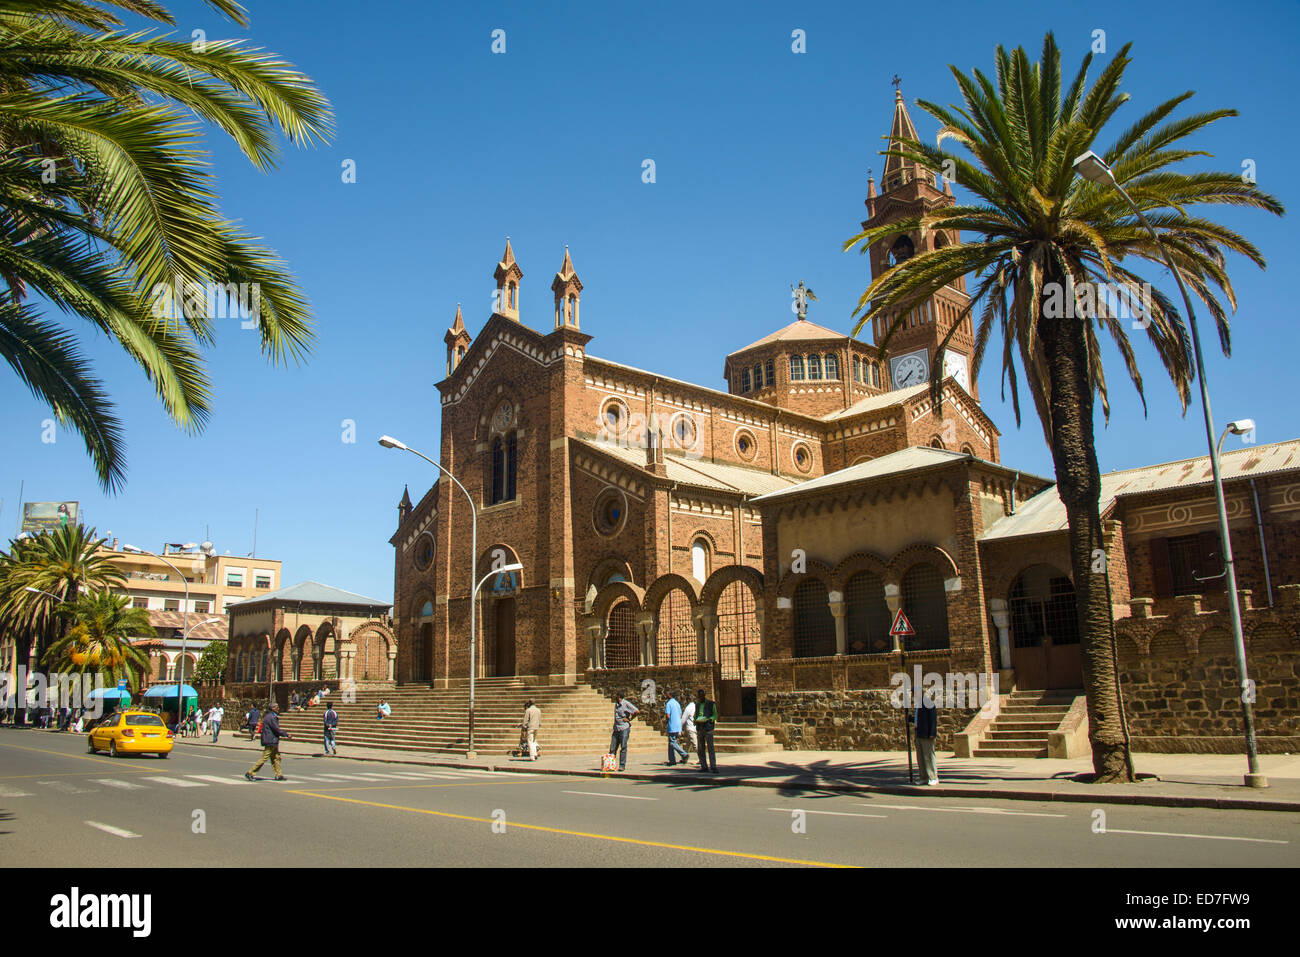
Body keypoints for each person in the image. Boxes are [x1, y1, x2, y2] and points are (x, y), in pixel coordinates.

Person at [244, 701, 292, 781]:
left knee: (276, 758)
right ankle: (250, 773)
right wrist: (286, 734)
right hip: (271, 740)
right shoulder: (271, 717)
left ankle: (278, 774)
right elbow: (276, 729)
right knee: (264, 757)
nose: (278, 708)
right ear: (272, 708)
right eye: (276, 707)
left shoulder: (270, 716)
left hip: (272, 740)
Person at [609, 692, 639, 772]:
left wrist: (629, 719)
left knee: (623, 747)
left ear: (619, 697)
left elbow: (636, 711)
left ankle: (622, 765)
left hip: (624, 728)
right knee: (612, 748)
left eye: (616, 696)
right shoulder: (616, 704)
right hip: (616, 728)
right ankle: (610, 765)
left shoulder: (626, 704)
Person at [914, 696, 939, 786]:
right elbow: (918, 719)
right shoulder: (917, 705)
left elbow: (933, 719)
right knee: (920, 758)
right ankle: (923, 777)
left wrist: (932, 733)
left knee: (928, 757)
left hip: (927, 734)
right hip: (919, 734)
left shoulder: (928, 703)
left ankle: (933, 777)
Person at [694, 689, 719, 773]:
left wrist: (709, 719)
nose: (700, 697)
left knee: (710, 748)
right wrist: (696, 720)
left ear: (704, 695)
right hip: (700, 727)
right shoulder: (697, 705)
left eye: (702, 695)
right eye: (699, 696)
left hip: (708, 728)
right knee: (701, 748)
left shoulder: (711, 704)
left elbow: (715, 715)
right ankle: (704, 766)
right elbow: (696, 715)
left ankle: (713, 766)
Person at [664, 691, 688, 766]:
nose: (666, 695)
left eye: (667, 694)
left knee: (672, 742)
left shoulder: (669, 703)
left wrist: (668, 722)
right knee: (671, 743)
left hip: (672, 725)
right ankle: (672, 760)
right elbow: (681, 715)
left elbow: (668, 715)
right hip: (678, 725)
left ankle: (684, 754)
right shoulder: (677, 703)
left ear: (670, 695)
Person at [681, 695, 697, 763]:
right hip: (695, 727)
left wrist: (679, 727)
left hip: (690, 728)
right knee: (688, 744)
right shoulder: (695, 706)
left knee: (695, 744)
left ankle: (702, 758)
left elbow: (683, 719)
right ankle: (684, 757)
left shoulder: (688, 708)